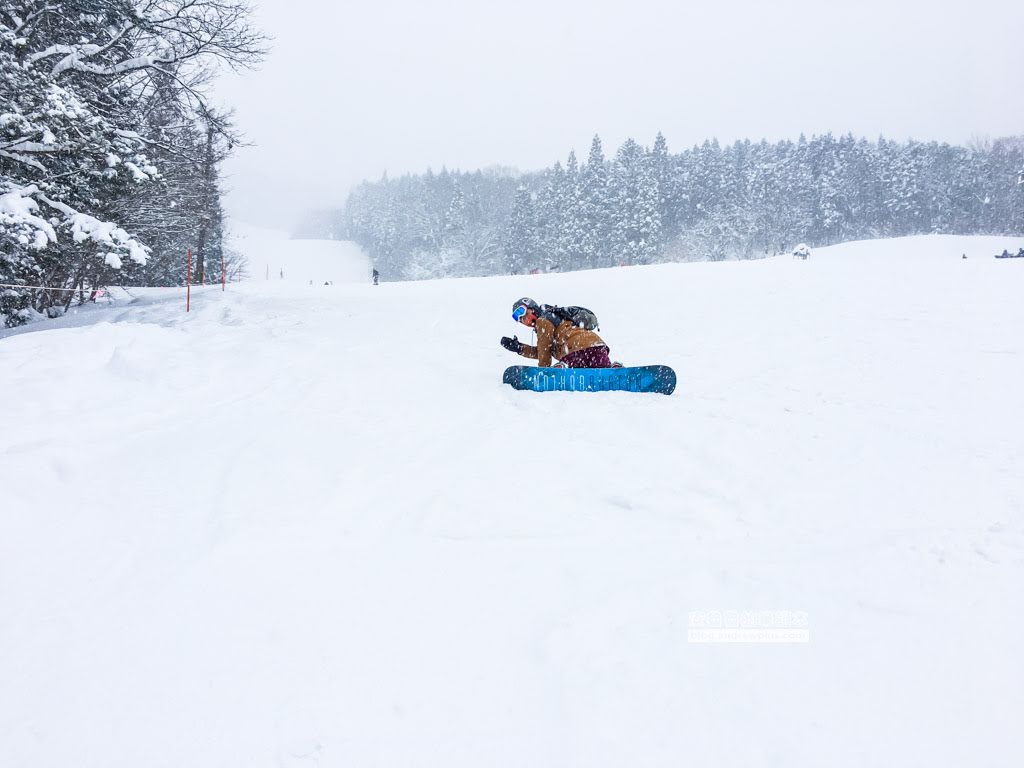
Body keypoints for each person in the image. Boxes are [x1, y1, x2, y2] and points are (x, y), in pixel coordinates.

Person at [500, 297, 617, 368]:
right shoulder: (555, 316)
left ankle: (562, 368)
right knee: (603, 371)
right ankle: (614, 370)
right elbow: (543, 350)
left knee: (568, 371)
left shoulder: (542, 321)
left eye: (523, 312)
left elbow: (544, 352)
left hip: (575, 351)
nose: (523, 319)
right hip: (596, 346)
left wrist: (543, 372)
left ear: (533, 308)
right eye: (519, 319)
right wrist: (519, 348)